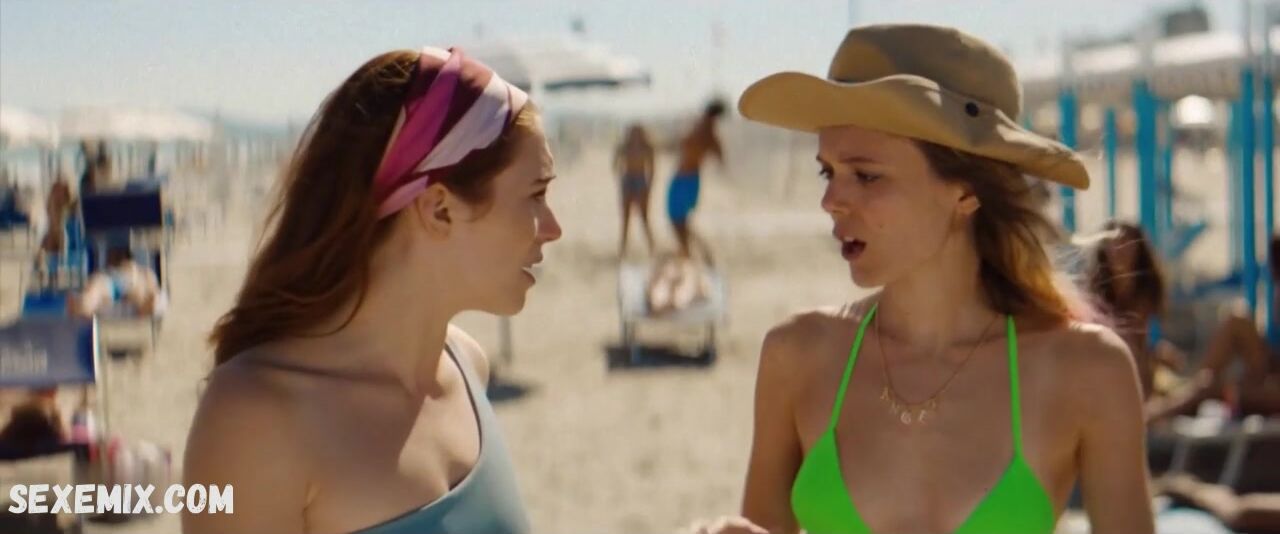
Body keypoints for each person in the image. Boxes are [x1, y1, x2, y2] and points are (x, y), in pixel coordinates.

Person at [691, 24, 1153, 534]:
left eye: (866, 175)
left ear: (965, 192)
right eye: (828, 172)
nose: (831, 201)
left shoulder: (1087, 370)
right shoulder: (798, 356)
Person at [182, 47, 559, 534]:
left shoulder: (468, 368)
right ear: (439, 209)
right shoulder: (254, 421)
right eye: (536, 194)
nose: (553, 228)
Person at [668, 99, 726, 265]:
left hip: (685, 179)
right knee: (681, 222)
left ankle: (696, 254)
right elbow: (720, 158)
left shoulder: (703, 131)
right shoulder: (708, 133)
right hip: (690, 179)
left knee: (678, 222)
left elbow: (683, 144)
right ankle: (691, 254)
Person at [67, 245, 165, 318]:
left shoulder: (140, 281)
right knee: (85, 304)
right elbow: (102, 286)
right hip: (110, 285)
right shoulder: (134, 283)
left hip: (109, 287)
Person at [615, 123, 657, 256]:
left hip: (640, 180)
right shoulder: (625, 147)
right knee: (626, 218)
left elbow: (652, 169)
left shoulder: (647, 148)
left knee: (644, 217)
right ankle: (623, 250)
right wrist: (621, 178)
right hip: (628, 179)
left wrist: (648, 187)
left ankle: (652, 248)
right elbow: (615, 164)